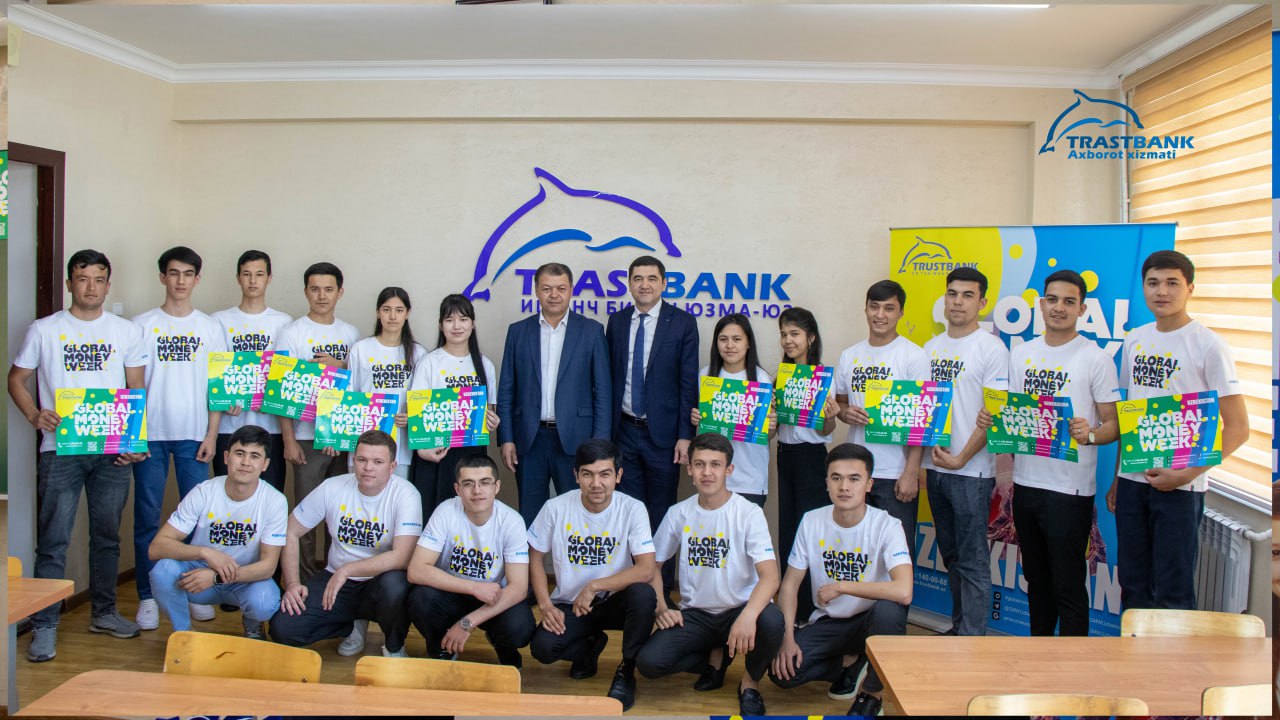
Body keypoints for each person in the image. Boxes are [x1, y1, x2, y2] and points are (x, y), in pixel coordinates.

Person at [8, 249, 149, 661]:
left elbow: (136, 389)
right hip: (61, 450)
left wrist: (134, 441)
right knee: (53, 540)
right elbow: (16, 379)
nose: (91, 287)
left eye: (98, 280)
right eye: (83, 279)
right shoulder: (45, 330)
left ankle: (103, 613)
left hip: (112, 451)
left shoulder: (126, 331)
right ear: (70, 283)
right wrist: (35, 415)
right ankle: (44, 624)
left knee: (106, 537)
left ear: (108, 285)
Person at [976, 269, 1120, 636]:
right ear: (1041, 304)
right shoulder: (1022, 353)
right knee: (1036, 581)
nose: (1059, 307)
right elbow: (1009, 413)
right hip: (1026, 484)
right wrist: (991, 417)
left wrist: (1090, 435)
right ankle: (1038, 654)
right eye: (1052, 300)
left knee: (1067, 585)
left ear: (1082, 309)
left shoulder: (1095, 358)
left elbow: (1115, 425)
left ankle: (1072, 665)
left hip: (1070, 491)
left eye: (1069, 302)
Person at [1107, 250, 1247, 610]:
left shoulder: (1208, 345)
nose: (1162, 291)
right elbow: (1130, 413)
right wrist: (1118, 476)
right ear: (1143, 287)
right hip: (1133, 483)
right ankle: (1134, 649)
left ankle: (1170, 652)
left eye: (1172, 283)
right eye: (1153, 283)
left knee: (1173, 591)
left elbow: (1238, 429)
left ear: (1190, 289)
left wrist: (1184, 475)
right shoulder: (1135, 340)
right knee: (1133, 585)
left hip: (1181, 488)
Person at [636, 433, 784, 717]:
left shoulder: (748, 513)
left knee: (772, 621)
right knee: (650, 663)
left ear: (729, 469)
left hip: (738, 609)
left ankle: (749, 683)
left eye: (715, 465)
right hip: (697, 614)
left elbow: (770, 577)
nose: (707, 472)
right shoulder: (679, 513)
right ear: (690, 469)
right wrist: (662, 607)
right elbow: (650, 566)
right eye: (700, 464)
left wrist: (748, 616)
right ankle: (715, 655)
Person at [769, 443, 913, 717]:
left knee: (889, 611)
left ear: (869, 484)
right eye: (836, 478)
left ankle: (871, 692)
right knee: (782, 672)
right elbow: (789, 585)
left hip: (870, 620)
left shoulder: (887, 525)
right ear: (827, 483)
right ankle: (854, 664)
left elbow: (904, 590)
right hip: (830, 621)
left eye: (854, 479)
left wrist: (842, 586)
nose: (844, 487)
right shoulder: (812, 521)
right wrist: (787, 637)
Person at [130, 246, 228, 631]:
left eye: (188, 274)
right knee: (147, 518)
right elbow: (133, 385)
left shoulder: (210, 327)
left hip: (194, 436)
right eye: (174, 273)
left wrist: (212, 434)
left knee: (197, 522)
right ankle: (146, 595)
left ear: (197, 279)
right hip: (150, 437)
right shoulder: (141, 325)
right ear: (162, 277)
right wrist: (134, 437)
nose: (181, 281)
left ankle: (192, 592)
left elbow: (217, 386)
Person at [528, 438, 657, 710]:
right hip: (572, 604)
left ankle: (626, 670)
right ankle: (590, 645)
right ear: (576, 476)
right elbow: (535, 557)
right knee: (543, 648)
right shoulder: (556, 508)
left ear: (618, 475)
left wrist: (594, 586)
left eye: (605, 474)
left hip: (615, 601)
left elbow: (646, 569)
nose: (596, 483)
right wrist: (545, 605)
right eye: (587, 474)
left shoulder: (632, 508)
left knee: (643, 594)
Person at [270, 430, 421, 657]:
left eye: (377, 462)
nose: (368, 467)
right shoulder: (332, 487)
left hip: (379, 583)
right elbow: (290, 531)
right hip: (336, 579)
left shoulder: (406, 494)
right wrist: (292, 584)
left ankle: (394, 645)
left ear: (392, 467)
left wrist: (348, 570)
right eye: (362, 459)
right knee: (283, 629)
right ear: (353, 460)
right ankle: (350, 625)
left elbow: (402, 557)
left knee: (396, 586)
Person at [832, 279, 927, 627]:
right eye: (874, 307)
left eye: (889, 308)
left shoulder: (914, 356)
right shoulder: (850, 355)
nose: (880, 315)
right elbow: (840, 403)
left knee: (896, 559)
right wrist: (846, 414)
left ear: (900, 312)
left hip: (893, 473)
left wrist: (911, 471)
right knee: (858, 553)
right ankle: (854, 631)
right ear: (866, 309)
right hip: (857, 474)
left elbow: (921, 420)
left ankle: (890, 633)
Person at [921, 267, 1009, 636]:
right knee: (952, 556)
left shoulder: (992, 348)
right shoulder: (930, 348)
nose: (958, 302)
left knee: (972, 560)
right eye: (952, 293)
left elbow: (994, 414)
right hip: (936, 469)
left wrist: (962, 457)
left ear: (982, 302)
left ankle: (973, 642)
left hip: (971, 473)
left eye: (967, 295)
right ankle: (960, 630)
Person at [497, 262, 612, 526]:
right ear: (536, 290)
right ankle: (529, 557)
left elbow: (603, 392)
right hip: (530, 439)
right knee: (530, 516)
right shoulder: (518, 331)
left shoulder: (592, 331)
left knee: (578, 515)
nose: (554, 295)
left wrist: (600, 444)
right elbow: (507, 389)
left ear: (571, 290)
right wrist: (507, 438)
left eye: (561, 288)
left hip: (577, 439)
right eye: (547, 288)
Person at [148, 425, 288, 638]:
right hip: (198, 575)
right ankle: (184, 634)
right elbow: (156, 548)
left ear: (265, 464)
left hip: (244, 579)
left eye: (254, 456)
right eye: (239, 453)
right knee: (162, 571)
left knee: (264, 602)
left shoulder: (275, 501)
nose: (246, 462)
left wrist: (216, 577)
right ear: (226, 457)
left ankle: (253, 625)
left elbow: (268, 567)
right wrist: (205, 553)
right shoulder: (203, 492)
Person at [276, 262, 361, 583]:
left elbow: (359, 387)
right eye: (315, 289)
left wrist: (342, 366)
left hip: (343, 438)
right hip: (306, 438)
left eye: (328, 289)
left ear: (340, 292)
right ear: (305, 292)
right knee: (307, 513)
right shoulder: (292, 333)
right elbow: (282, 390)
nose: (322, 296)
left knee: (340, 512)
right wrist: (289, 440)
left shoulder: (351, 334)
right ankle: (303, 584)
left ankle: (334, 580)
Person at [407, 454, 534, 667]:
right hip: (453, 592)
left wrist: (466, 623)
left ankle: (502, 644)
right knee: (420, 599)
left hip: (493, 596)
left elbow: (519, 588)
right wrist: (474, 587)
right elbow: (416, 570)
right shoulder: (446, 511)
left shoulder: (511, 521)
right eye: (468, 484)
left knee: (520, 626)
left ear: (496, 487)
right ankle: (441, 645)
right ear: (457, 489)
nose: (477, 491)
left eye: (485, 482)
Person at [606, 255, 699, 533]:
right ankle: (633, 563)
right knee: (628, 510)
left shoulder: (682, 322)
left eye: (651, 279)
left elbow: (687, 383)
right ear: (629, 284)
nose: (644, 285)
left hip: (664, 436)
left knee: (662, 511)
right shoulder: (617, 321)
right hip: (624, 431)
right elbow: (610, 377)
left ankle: (662, 564)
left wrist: (685, 435)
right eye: (637, 279)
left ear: (664, 283)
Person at [407, 294, 500, 521]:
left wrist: (493, 422)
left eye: (463, 319)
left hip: (471, 453)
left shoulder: (484, 364)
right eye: (449, 320)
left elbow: (489, 412)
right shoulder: (429, 362)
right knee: (433, 515)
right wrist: (424, 450)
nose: (457, 326)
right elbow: (417, 413)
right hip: (435, 453)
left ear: (473, 324)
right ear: (441, 325)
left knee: (470, 516)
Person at [211, 249, 292, 492]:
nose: (253, 280)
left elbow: (287, 375)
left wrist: (273, 401)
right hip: (229, 425)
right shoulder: (219, 320)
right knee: (228, 493)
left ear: (269, 278)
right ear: (238, 278)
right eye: (246, 274)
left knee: (270, 492)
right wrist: (223, 399)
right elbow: (213, 373)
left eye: (259, 274)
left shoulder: (284, 322)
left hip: (271, 426)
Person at [774, 306, 836, 622]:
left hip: (812, 458)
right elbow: (773, 429)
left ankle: (811, 608)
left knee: (809, 531)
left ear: (810, 337)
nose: (788, 340)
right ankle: (790, 607)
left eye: (795, 334)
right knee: (787, 528)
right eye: (784, 334)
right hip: (785, 455)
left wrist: (829, 416)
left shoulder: (823, 377)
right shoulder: (780, 377)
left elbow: (826, 430)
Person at [690, 314, 776, 507]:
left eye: (737, 339)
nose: (729, 345)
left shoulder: (762, 379)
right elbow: (701, 425)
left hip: (750, 478)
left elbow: (768, 435)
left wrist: (770, 426)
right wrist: (695, 418)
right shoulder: (705, 376)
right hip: (711, 476)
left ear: (748, 343)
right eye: (723, 339)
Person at [347, 287, 428, 478]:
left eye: (399, 310)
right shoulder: (361, 349)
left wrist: (412, 417)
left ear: (407, 313)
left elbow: (424, 402)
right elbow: (349, 396)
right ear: (378, 312)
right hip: (364, 442)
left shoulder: (419, 353)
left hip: (402, 447)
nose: (392, 316)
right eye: (386, 309)